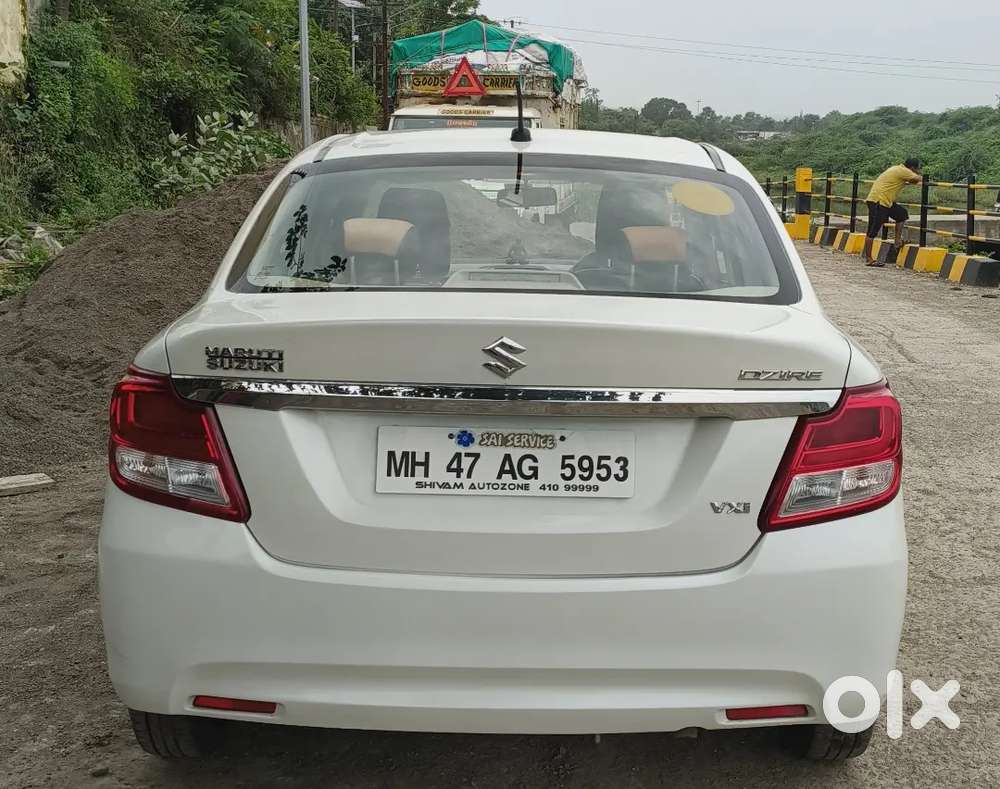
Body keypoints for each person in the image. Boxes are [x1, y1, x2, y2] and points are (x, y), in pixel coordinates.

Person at [863, 158, 922, 266]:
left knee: (902, 214)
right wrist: (922, 177)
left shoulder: (897, 169)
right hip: (879, 201)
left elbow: (912, 180)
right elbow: (918, 178)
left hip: (885, 201)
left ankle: (897, 241)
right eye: (917, 168)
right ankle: (869, 258)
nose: (918, 170)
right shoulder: (904, 171)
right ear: (913, 167)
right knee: (873, 230)